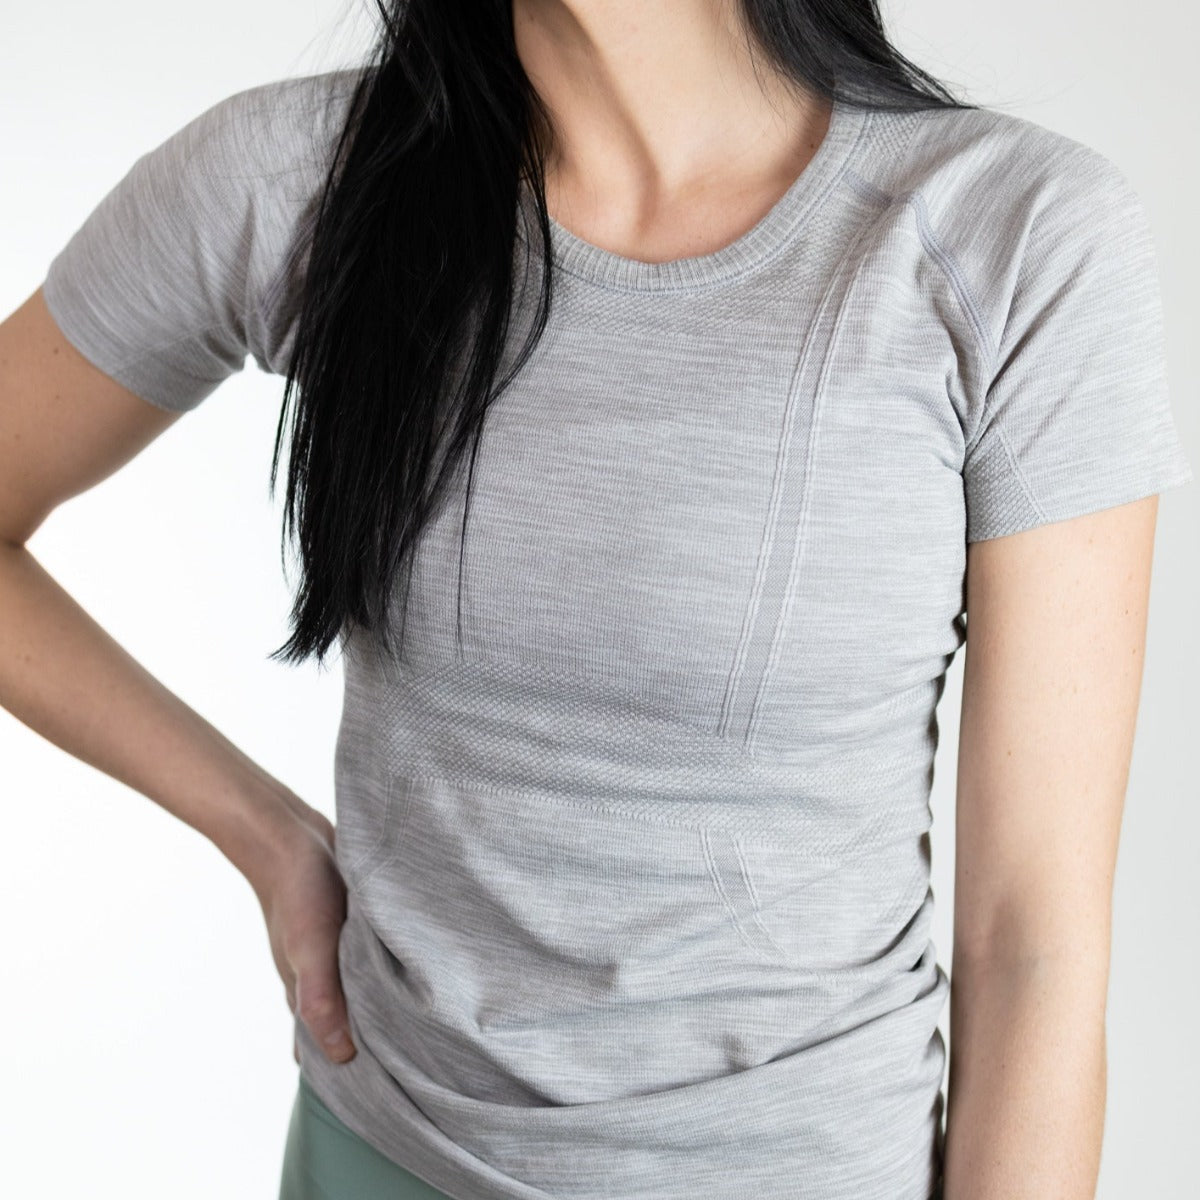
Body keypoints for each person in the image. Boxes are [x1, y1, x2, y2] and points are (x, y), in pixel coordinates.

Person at [1, 0, 1192, 1197]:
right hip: (382, 1152)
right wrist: (264, 836)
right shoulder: (303, 181)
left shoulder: (1013, 236)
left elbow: (1030, 942)